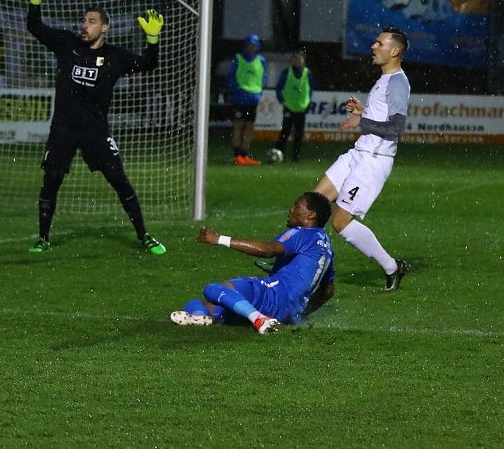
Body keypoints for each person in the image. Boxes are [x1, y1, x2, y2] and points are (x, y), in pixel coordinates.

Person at [25, 0, 166, 255]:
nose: (84, 25)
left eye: (91, 22)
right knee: (51, 180)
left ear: (105, 27)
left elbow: (147, 64)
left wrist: (152, 41)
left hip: (96, 131)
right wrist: (35, 1)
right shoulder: (66, 44)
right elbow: (34, 26)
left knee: (119, 179)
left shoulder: (115, 56)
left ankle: (144, 235)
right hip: (63, 129)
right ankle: (43, 238)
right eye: (84, 21)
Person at [313, 26, 411, 291]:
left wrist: (362, 121)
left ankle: (392, 267)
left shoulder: (398, 83)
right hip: (358, 153)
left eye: (379, 44)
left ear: (395, 51)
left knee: (339, 222)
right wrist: (364, 111)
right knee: (313, 204)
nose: (373, 47)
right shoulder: (384, 79)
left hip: (373, 161)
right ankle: (295, 266)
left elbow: (396, 129)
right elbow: (379, 120)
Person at [170, 191, 335, 334]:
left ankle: (259, 320)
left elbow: (268, 250)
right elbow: (327, 291)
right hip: (289, 313)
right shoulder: (326, 247)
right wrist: (300, 313)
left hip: (273, 295)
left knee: (212, 289)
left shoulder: (303, 233)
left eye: (297, 206)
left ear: (311, 215)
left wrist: (219, 239)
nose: (291, 210)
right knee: (200, 304)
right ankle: (202, 318)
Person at [227, 33, 267, 165]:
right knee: (238, 125)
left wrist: (260, 90)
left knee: (250, 126)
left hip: (253, 97)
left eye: (254, 45)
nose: (251, 47)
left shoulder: (261, 60)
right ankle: (237, 154)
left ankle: (245, 154)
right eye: (249, 45)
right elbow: (231, 76)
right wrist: (236, 91)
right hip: (240, 96)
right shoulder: (238, 58)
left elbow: (263, 76)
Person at [274, 49, 314, 162]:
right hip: (289, 107)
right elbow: (278, 88)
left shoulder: (308, 73)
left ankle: (295, 158)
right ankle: (278, 154)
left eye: (299, 59)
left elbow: (311, 89)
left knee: (298, 134)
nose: (297, 61)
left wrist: (308, 102)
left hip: (301, 108)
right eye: (295, 58)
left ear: (304, 61)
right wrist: (281, 100)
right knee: (285, 133)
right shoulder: (287, 72)